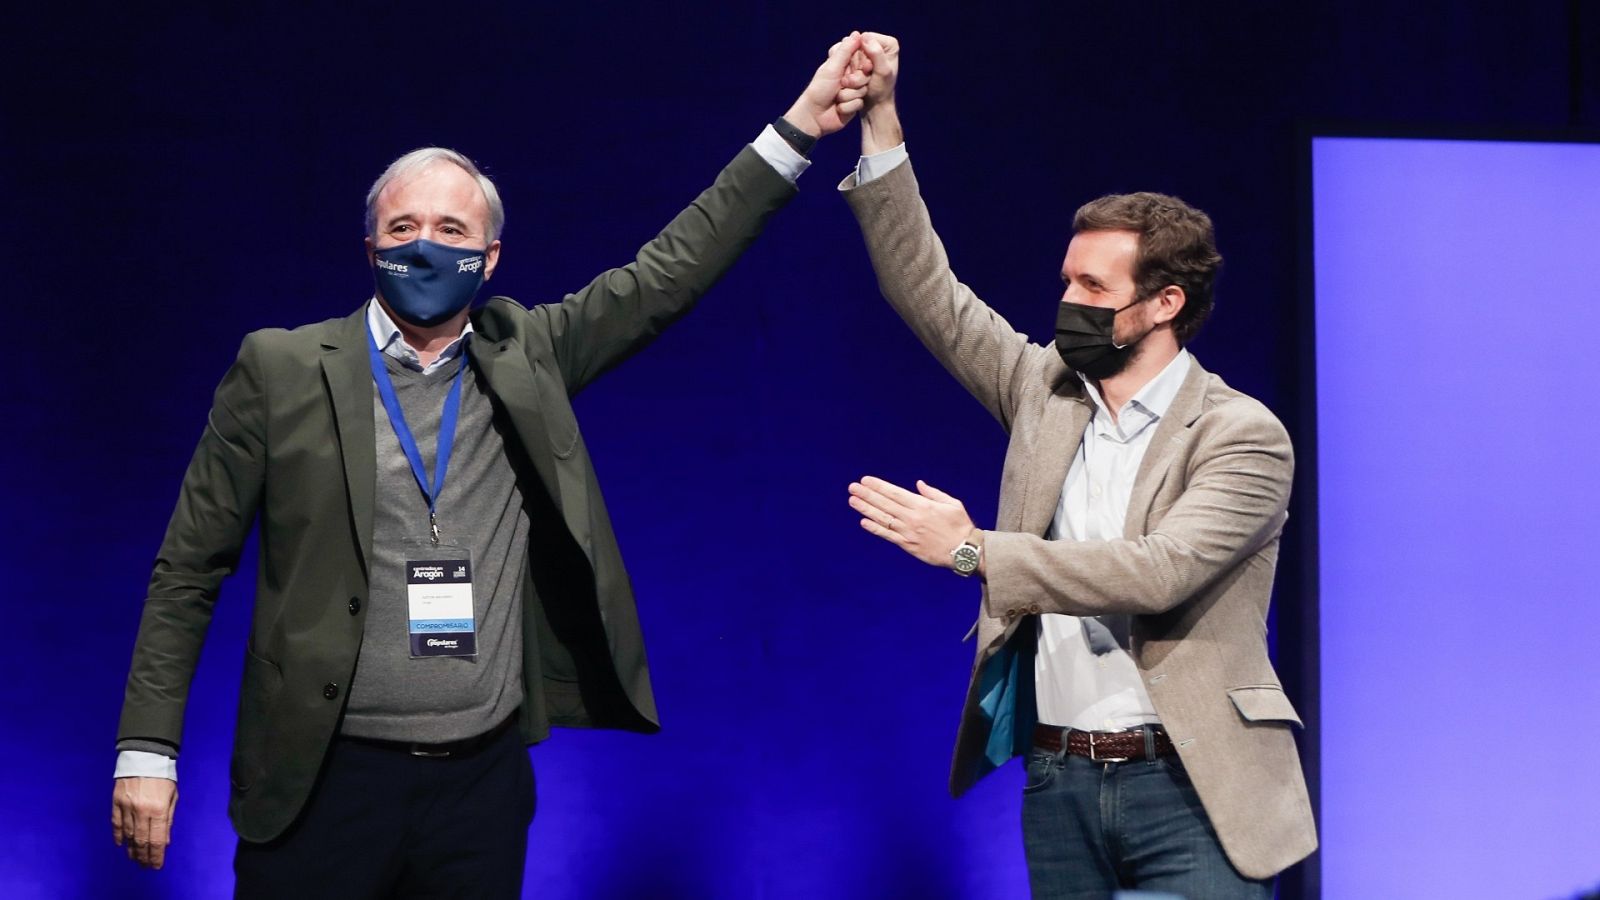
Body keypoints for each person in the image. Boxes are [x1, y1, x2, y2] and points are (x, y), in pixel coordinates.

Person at [110, 34, 871, 897]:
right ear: (370, 248)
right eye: (403, 228)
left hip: (479, 786)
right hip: (320, 781)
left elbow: (670, 272)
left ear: (490, 257)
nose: (425, 247)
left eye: (450, 229)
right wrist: (148, 750)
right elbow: (188, 569)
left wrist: (802, 126)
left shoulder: (528, 354)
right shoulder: (281, 370)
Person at [839, 33, 1317, 897]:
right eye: (1068, 281)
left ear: (1165, 303)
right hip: (1058, 779)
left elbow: (1159, 571)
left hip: (1191, 786)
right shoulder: (1044, 391)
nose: (1068, 302)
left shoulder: (1243, 434)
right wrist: (880, 121)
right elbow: (926, 291)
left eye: (1094, 289)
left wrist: (975, 550)